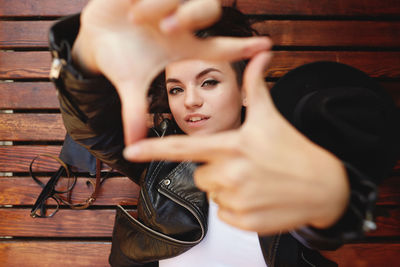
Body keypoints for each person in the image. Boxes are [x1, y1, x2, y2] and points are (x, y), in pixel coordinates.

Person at [48, 0, 398, 266]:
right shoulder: (162, 159)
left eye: (209, 82)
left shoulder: (288, 155)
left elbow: (326, 219)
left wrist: (327, 202)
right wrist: (81, 63)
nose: (191, 102)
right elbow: (91, 129)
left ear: (247, 90)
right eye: (176, 89)